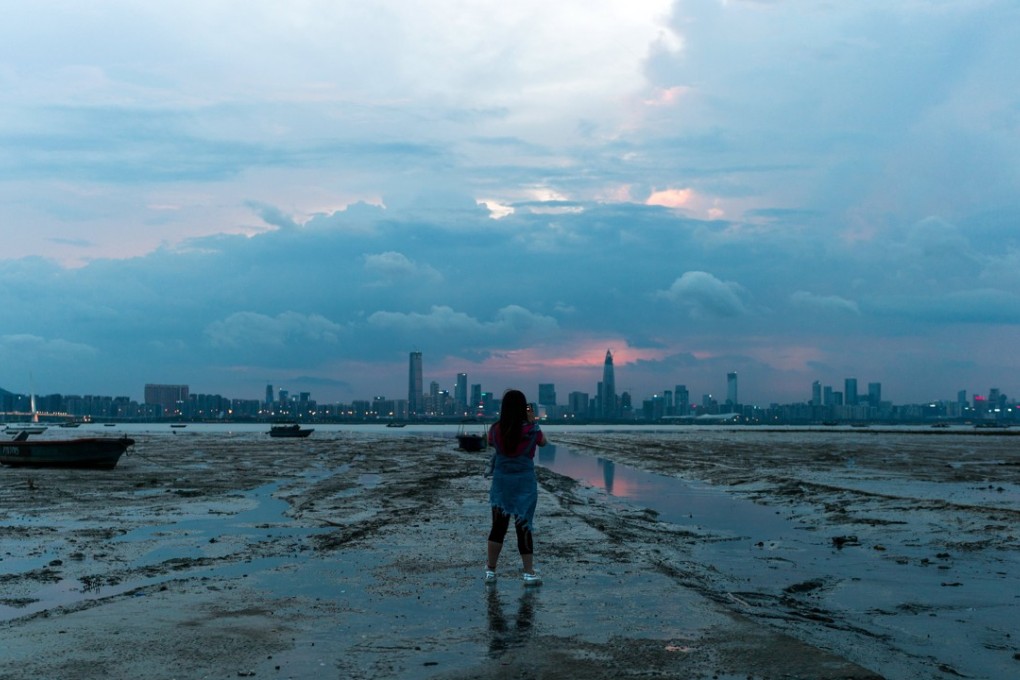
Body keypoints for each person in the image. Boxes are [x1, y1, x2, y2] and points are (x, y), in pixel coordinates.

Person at [485, 389, 548, 585]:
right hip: (525, 484)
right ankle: (528, 573)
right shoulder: (532, 430)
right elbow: (544, 443)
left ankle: (490, 571)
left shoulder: (495, 429)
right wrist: (532, 422)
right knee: (524, 527)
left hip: (502, 483)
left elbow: (490, 444)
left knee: (498, 527)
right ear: (524, 408)